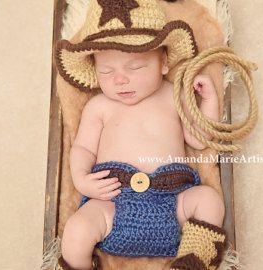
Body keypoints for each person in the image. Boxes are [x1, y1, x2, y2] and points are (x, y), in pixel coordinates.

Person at [55, 0, 227, 269]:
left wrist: (209, 101)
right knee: (76, 232)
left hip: (174, 201)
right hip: (112, 203)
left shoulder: (174, 95)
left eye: (135, 67)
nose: (120, 79)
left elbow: (198, 138)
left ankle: (193, 258)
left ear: (164, 63)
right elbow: (83, 149)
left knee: (209, 200)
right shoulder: (98, 106)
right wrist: (82, 180)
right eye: (107, 71)